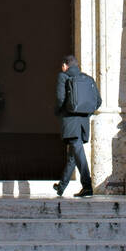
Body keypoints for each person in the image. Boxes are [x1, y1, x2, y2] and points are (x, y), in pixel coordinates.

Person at [53, 54, 93, 198]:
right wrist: (85, 113)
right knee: (73, 155)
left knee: (77, 151)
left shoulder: (63, 77)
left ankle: (87, 186)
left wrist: (58, 111)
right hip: (83, 123)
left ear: (65, 65)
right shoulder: (88, 79)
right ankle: (61, 187)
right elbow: (98, 101)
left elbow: (60, 98)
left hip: (70, 121)